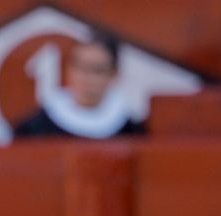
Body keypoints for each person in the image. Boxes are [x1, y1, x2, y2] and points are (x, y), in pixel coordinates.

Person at [13, 32, 147, 140]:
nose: (87, 77)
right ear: (68, 70)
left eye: (98, 70)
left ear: (114, 74)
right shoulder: (34, 128)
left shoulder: (130, 131)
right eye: (80, 67)